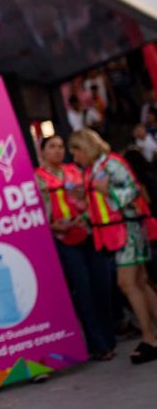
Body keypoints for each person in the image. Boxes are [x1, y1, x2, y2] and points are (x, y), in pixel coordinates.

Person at [69, 129, 157, 364]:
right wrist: (84, 216)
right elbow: (99, 205)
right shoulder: (93, 170)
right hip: (116, 232)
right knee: (139, 282)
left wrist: (107, 191)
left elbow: (134, 191)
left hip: (127, 230)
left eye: (75, 152)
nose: (74, 158)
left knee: (127, 283)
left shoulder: (111, 164)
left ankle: (150, 338)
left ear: (85, 148)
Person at [34, 136, 116, 360]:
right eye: (52, 147)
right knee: (83, 291)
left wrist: (87, 217)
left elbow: (94, 198)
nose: (58, 151)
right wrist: (52, 227)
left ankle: (110, 339)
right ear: (42, 152)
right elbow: (36, 210)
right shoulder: (37, 178)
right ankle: (98, 345)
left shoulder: (76, 170)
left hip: (89, 233)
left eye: (61, 147)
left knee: (102, 286)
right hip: (63, 240)